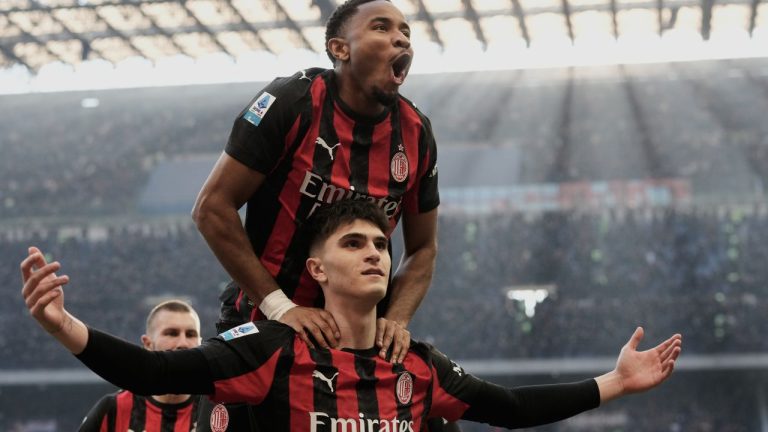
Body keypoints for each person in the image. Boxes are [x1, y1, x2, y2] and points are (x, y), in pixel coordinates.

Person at [22, 200, 682, 432]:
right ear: (316, 270)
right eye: (353, 243)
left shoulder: (415, 363)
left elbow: (508, 407)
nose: (373, 253)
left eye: (380, 245)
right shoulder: (274, 349)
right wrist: (62, 325)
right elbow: (151, 372)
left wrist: (615, 383)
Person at [192, 0, 440, 427]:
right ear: (340, 48)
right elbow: (212, 208)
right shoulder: (292, 101)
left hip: (356, 343)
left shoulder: (416, 133)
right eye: (382, 28)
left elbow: (423, 248)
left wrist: (397, 319)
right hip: (265, 325)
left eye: (406, 32)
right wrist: (282, 307)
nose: (401, 38)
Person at [78, 299, 202, 432]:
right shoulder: (113, 409)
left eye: (191, 335)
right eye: (172, 333)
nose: (183, 343)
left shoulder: (213, 408)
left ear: (201, 343)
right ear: (148, 344)